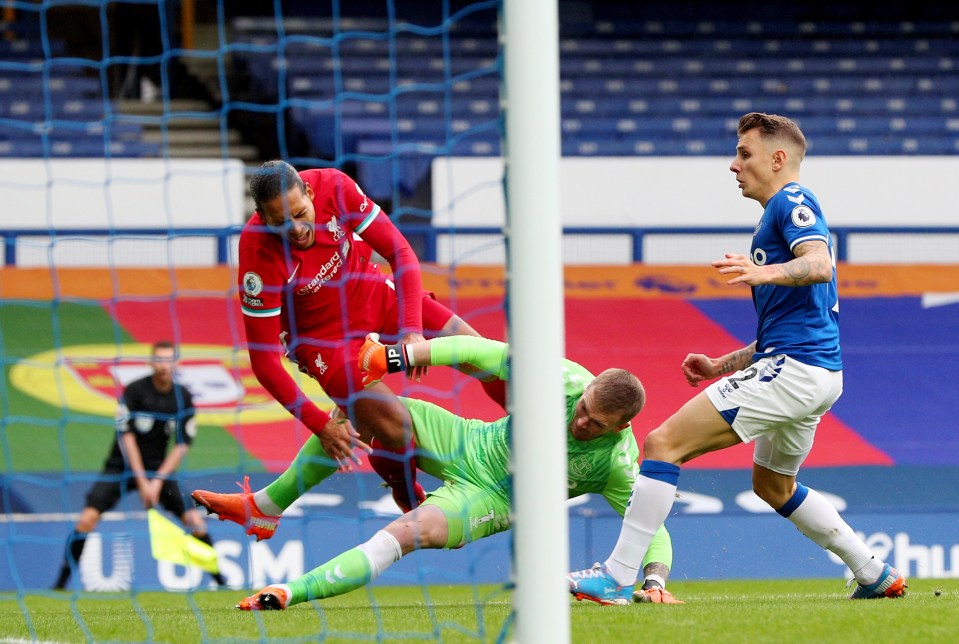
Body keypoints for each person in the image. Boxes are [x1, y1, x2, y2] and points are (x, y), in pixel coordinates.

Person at [567, 112, 907, 604]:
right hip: (814, 372)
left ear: (778, 158)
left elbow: (819, 263)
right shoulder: (776, 216)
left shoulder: (792, 200)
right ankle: (873, 572)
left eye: (744, 154)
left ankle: (616, 576)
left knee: (663, 443)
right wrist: (722, 366)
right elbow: (787, 329)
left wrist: (763, 273)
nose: (734, 165)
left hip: (794, 372)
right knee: (772, 484)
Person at [228, 333, 681, 610]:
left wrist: (655, 579)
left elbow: (648, 526)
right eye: (583, 410)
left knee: (405, 534)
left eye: (595, 424)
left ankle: (289, 593)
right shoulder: (564, 379)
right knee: (357, 410)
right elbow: (475, 350)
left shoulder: (619, 461)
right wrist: (396, 356)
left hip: (492, 499)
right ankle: (265, 507)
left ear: (621, 426)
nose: (580, 422)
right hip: (468, 440)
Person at [235, 160, 504, 516]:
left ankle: (529, 442)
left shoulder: (336, 187)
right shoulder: (257, 255)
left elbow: (400, 253)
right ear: (261, 216)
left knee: (480, 353)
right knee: (396, 425)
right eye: (280, 222)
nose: (296, 228)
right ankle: (406, 496)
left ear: (311, 193)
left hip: (374, 294)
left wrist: (411, 331)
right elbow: (264, 361)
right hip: (323, 342)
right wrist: (320, 426)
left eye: (301, 213)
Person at [53, 340, 225, 590]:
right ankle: (59, 584)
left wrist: (156, 481)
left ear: (176, 363)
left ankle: (221, 582)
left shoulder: (183, 397)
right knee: (87, 519)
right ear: (151, 362)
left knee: (194, 521)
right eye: (159, 360)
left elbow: (182, 445)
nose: (164, 366)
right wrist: (143, 481)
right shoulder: (135, 391)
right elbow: (127, 437)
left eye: (169, 360)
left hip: (159, 471)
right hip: (120, 468)